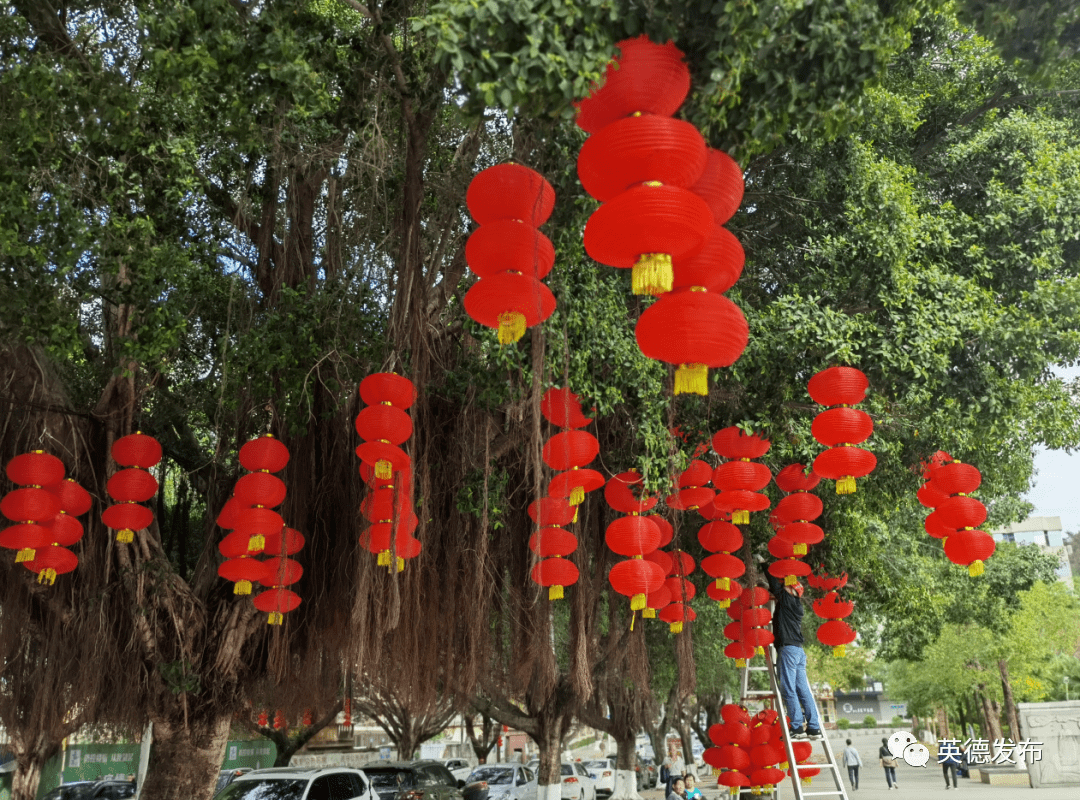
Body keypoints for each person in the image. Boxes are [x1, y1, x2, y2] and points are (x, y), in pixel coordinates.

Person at [766, 575, 822, 739]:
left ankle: (797, 727)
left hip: (789, 651)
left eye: (786, 586)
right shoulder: (795, 605)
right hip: (798, 651)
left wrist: (764, 565)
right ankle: (813, 728)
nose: (782, 587)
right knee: (803, 690)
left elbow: (775, 587)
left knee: (788, 689)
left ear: (792, 590)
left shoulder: (787, 599)